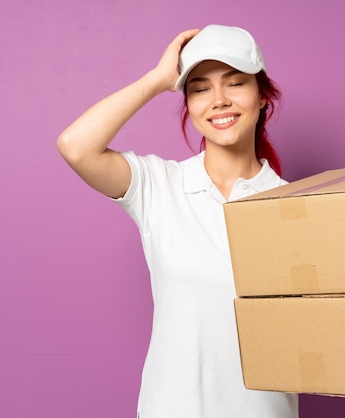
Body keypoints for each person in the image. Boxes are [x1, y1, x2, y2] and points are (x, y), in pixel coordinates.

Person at [57, 24, 299, 418]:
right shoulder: (160, 186)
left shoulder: (295, 206)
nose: (218, 100)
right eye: (200, 88)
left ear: (262, 97)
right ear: (187, 103)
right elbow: (76, 147)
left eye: (235, 83)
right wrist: (156, 80)